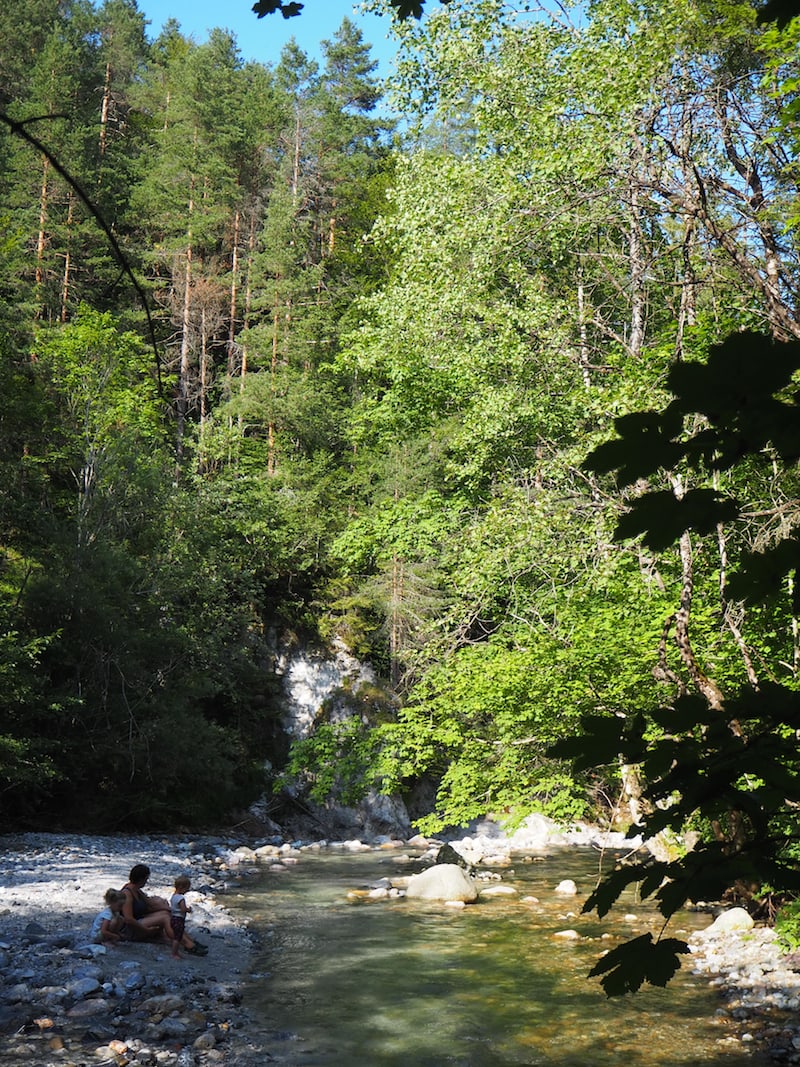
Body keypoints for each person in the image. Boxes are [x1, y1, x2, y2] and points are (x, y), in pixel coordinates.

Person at [119, 863, 180, 958]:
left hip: (138, 921)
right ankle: (179, 940)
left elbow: (149, 906)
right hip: (128, 930)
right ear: (141, 879)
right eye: (146, 879)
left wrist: (168, 909)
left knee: (165, 913)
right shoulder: (127, 893)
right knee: (164, 917)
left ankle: (181, 939)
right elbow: (128, 919)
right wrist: (146, 930)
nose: (146, 882)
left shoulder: (136, 890)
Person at [170, 875, 208, 956]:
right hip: (179, 919)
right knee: (177, 937)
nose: (187, 891)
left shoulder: (173, 896)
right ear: (181, 887)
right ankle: (175, 953)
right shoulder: (181, 898)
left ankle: (176, 952)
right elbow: (183, 909)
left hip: (173, 917)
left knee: (177, 935)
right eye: (186, 889)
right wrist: (189, 909)